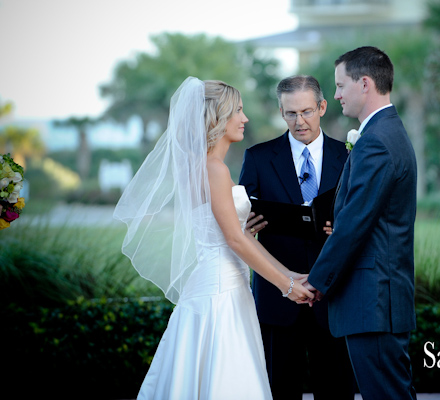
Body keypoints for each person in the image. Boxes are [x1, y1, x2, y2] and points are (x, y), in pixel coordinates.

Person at [114, 77, 314, 400]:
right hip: (220, 294)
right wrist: (286, 286)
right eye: (238, 110)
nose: (245, 118)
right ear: (217, 117)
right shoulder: (214, 170)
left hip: (222, 284)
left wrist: (290, 274)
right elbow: (235, 240)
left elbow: (240, 236)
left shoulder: (204, 167)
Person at [304, 46, 418, 400]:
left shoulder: (377, 143)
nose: (335, 95)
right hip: (379, 300)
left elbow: (354, 224)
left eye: (340, 85)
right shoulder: (386, 134)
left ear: (364, 83)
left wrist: (317, 281)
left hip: (373, 301)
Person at [239, 75, 355, 400]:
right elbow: (240, 227)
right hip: (279, 298)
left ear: (321, 107)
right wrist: (247, 223)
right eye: (290, 113)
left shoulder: (349, 157)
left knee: (337, 392)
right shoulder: (258, 158)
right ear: (280, 111)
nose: (299, 121)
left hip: (333, 297)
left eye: (306, 111)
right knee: (279, 391)